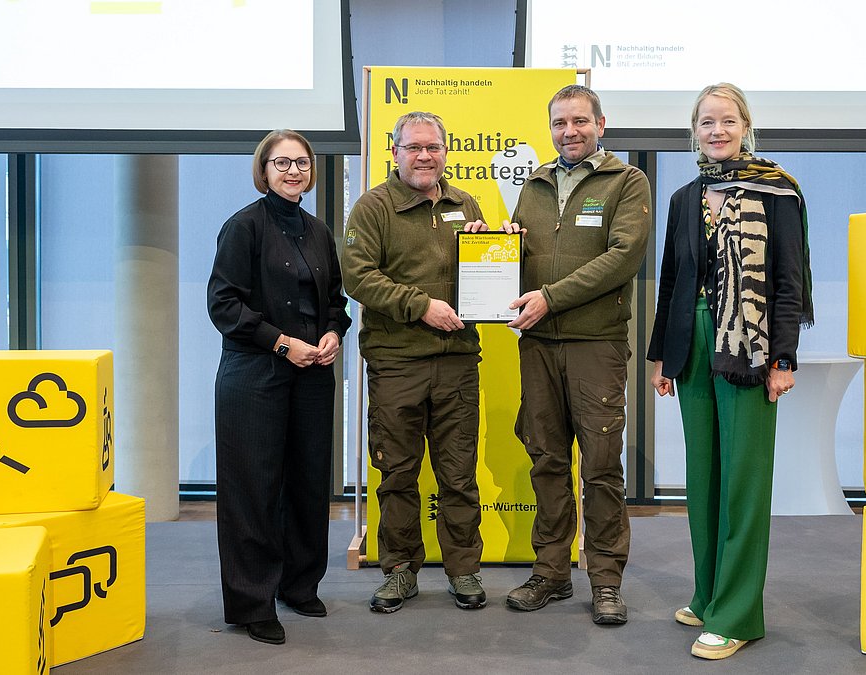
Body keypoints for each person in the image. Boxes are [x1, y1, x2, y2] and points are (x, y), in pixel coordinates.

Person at [647, 83, 814, 659]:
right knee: (704, 479)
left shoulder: (777, 192)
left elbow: (788, 283)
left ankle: (738, 614)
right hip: (692, 345)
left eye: (727, 120)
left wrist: (784, 359)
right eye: (706, 122)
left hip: (752, 346)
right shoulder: (684, 198)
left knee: (742, 483)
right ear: (694, 132)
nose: (716, 131)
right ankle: (709, 592)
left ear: (746, 126)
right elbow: (671, 282)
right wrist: (662, 357)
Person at [500, 84, 651, 625]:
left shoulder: (627, 182)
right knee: (546, 460)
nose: (570, 131)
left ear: (601, 124)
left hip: (596, 344)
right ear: (551, 127)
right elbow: (517, 252)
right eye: (560, 122)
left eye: (580, 121)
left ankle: (606, 580)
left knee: (602, 467)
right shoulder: (535, 184)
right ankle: (551, 572)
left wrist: (550, 298)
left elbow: (621, 258)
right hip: (538, 345)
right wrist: (487, 246)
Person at [341, 111, 490, 614]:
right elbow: (359, 278)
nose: (424, 156)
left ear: (445, 152)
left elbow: (484, 272)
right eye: (413, 148)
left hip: (458, 363)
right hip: (396, 363)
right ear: (395, 152)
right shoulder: (373, 208)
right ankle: (400, 570)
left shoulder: (464, 203)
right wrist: (420, 306)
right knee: (398, 474)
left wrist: (496, 245)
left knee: (458, 474)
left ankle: (463, 570)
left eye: (433, 148)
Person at [207, 129, 352, 645]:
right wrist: (281, 343)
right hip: (255, 374)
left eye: (303, 163)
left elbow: (335, 301)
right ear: (263, 170)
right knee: (254, 489)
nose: (294, 171)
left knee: (308, 482)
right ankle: (252, 602)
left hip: (313, 372)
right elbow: (224, 306)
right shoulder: (243, 227)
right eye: (283, 163)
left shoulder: (317, 231)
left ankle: (298, 584)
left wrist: (335, 332)